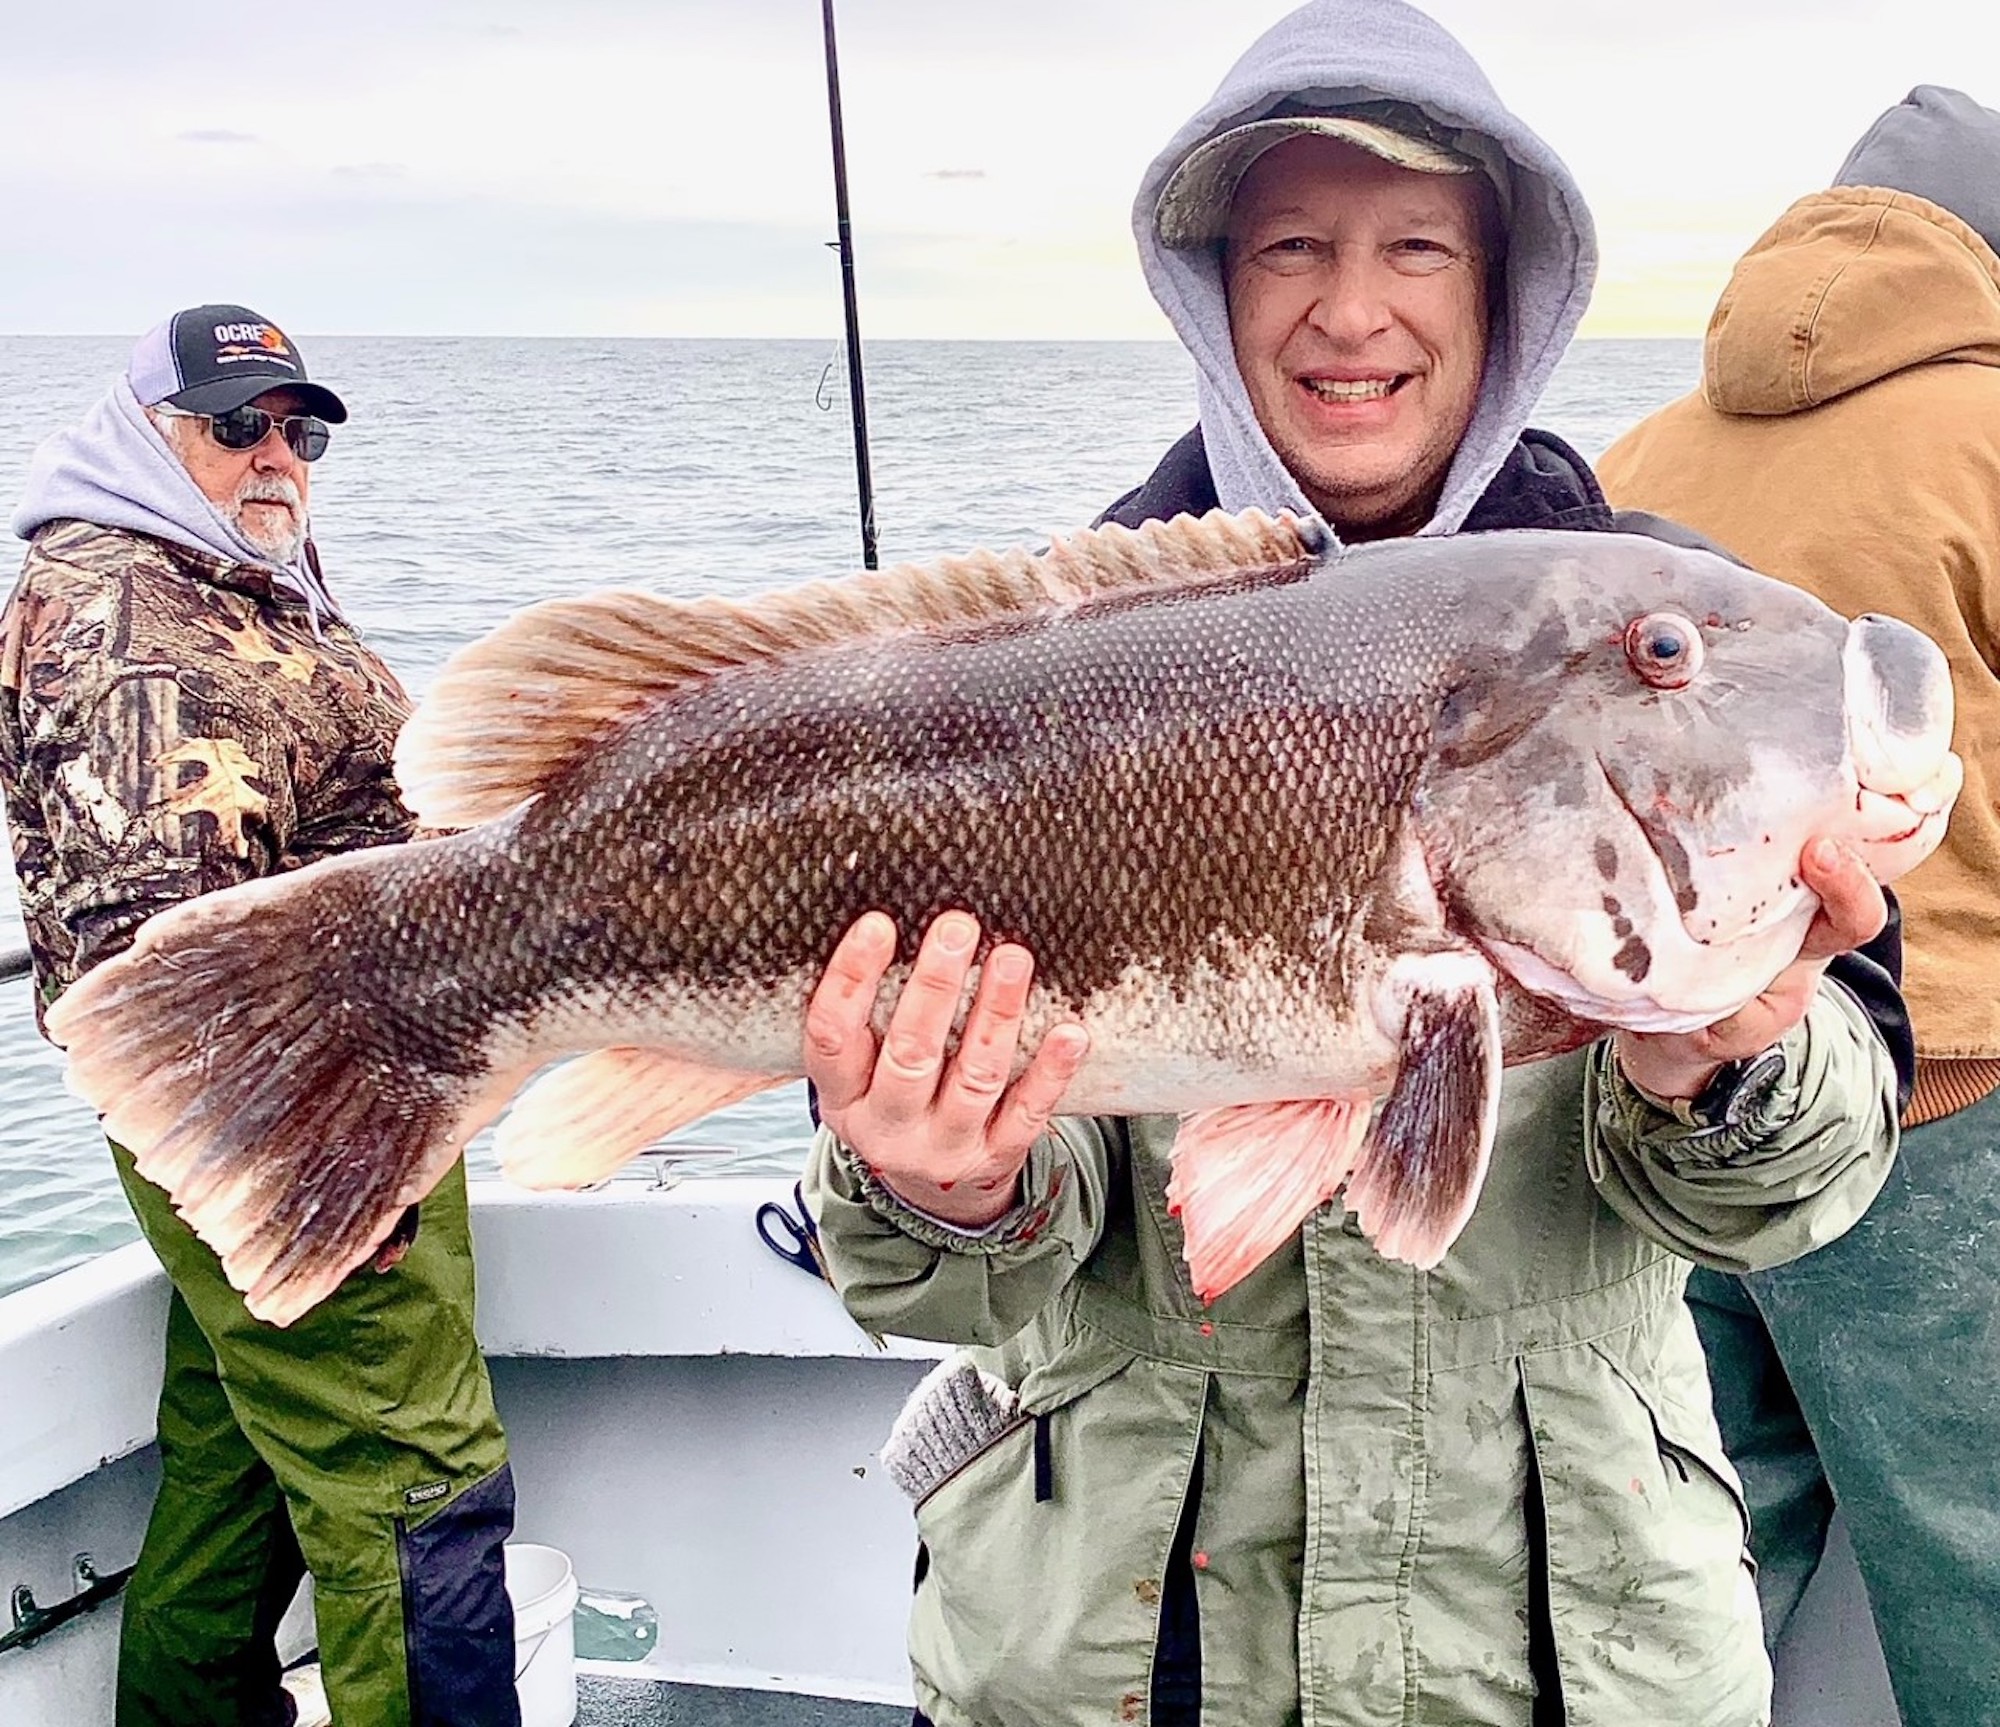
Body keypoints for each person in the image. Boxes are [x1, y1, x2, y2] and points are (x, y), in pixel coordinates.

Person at [794, 3, 1916, 1724]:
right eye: (1290, 250)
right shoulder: (1062, 639)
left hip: (1558, 1640)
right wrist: (943, 1182)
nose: (1350, 310)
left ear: (1501, 291)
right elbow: (961, 1277)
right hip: (1125, 1639)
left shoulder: (1650, 606)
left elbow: (1792, 1194)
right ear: (1215, 291)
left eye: (1417, 249)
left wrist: (1730, 1067)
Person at [0, 305, 518, 1727]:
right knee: (418, 1480)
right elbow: (167, 963)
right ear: (147, 436)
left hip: (364, 1089)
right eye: (235, 424)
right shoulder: (124, 625)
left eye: (300, 427)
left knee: (243, 1475)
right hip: (296, 1118)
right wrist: (335, 1180)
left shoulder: (232, 577)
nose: (277, 454)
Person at [1595, 84, 2000, 1727]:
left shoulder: (1637, 457)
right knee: (1977, 1568)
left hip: (1672, 1097)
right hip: (1949, 1108)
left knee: (1698, 1562)